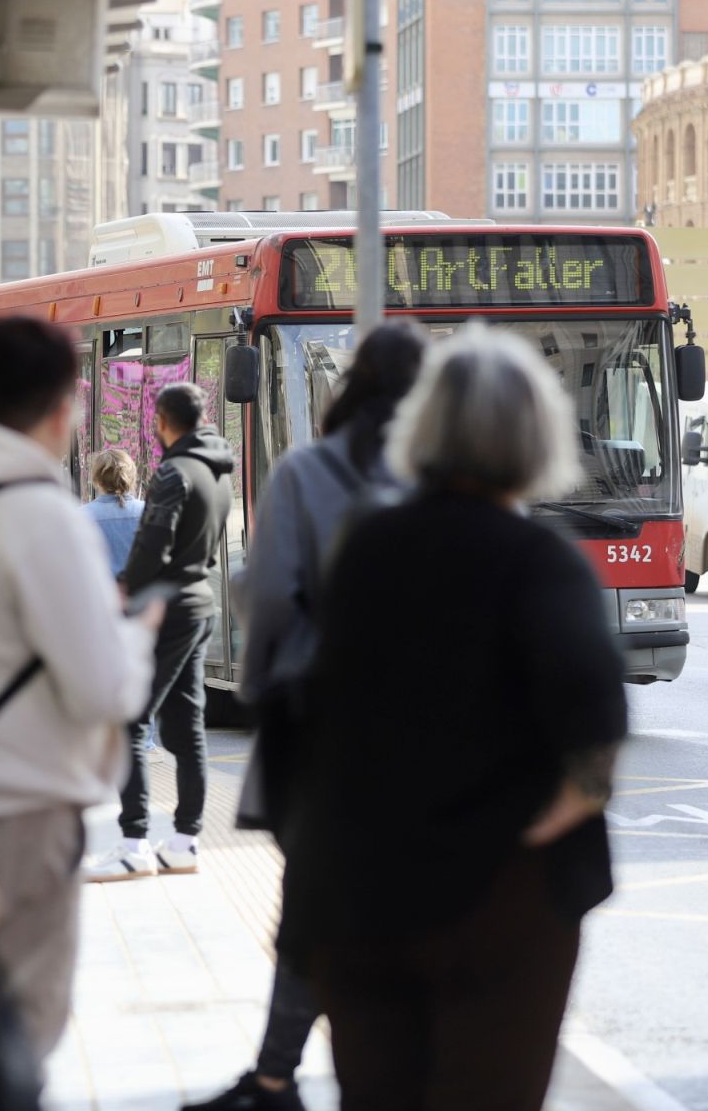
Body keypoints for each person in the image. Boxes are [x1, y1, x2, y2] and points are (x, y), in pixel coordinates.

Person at [281, 326, 628, 1111]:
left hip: (357, 887)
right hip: (496, 906)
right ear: (538, 434)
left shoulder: (364, 546)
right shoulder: (542, 560)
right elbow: (594, 737)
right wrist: (520, 837)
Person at [188, 322, 427, 1111]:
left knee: (317, 908)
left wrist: (265, 704)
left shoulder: (309, 472)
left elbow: (271, 605)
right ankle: (356, 1070)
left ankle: (277, 1076)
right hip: (430, 737)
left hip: (327, 729)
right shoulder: (444, 475)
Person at [0, 316, 156, 1057]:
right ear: (64, 409)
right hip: (14, 815)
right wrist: (133, 639)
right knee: (11, 1041)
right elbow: (101, 690)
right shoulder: (37, 514)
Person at [87, 382, 234, 881]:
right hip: (200, 608)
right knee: (187, 728)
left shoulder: (174, 473)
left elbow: (154, 540)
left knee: (130, 722)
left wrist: (130, 587)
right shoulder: (218, 472)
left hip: (165, 613)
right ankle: (185, 841)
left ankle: (133, 843)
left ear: (164, 422)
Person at [81, 447, 146, 576]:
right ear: (132, 476)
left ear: (97, 480)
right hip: (141, 593)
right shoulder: (149, 512)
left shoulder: (81, 516)